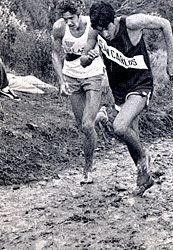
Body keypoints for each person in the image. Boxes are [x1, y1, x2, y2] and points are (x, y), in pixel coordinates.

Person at [80, 1, 173, 196]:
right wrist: (88, 57)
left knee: (119, 126)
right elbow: (82, 60)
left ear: (113, 20)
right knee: (131, 136)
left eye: (107, 28)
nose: (105, 34)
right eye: (100, 31)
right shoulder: (95, 32)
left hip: (140, 84)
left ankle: (144, 159)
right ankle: (144, 178)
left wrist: (171, 62)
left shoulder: (132, 23)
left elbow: (165, 24)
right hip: (119, 89)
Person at [51, 0, 108, 184]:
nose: (69, 22)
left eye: (72, 18)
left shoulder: (92, 25)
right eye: (65, 19)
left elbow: (108, 45)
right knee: (81, 125)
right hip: (72, 74)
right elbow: (55, 54)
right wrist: (61, 81)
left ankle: (88, 169)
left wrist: (106, 73)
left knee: (86, 125)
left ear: (79, 14)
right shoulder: (59, 28)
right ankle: (100, 115)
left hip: (93, 73)